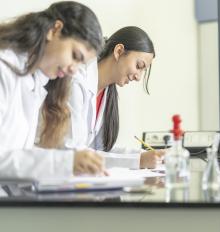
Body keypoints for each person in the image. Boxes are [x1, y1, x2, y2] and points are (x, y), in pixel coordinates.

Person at [0, 1, 105, 179]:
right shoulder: (4, 68)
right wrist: (64, 163)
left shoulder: (35, 82)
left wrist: (67, 161)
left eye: (81, 64)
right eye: (75, 56)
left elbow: (17, 154)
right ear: (54, 30)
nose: (74, 69)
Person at [40, 26, 164, 169]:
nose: (138, 77)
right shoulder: (76, 83)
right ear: (118, 51)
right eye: (138, 66)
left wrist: (146, 155)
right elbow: (74, 152)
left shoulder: (107, 93)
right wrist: (138, 160)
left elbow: (99, 150)